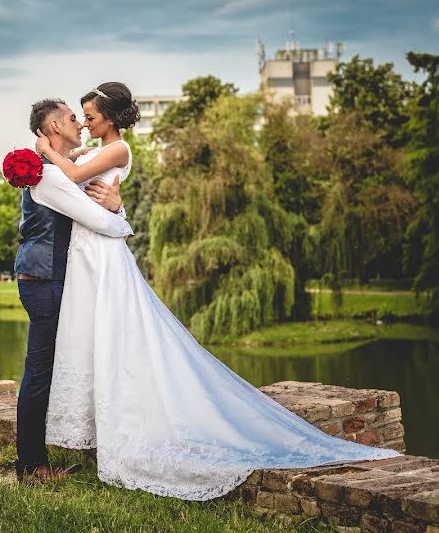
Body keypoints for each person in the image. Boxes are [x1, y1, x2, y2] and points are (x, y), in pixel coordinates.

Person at [33, 82, 399, 501]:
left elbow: (74, 175)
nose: (86, 122)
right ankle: (99, 430)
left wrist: (44, 151)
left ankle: (134, 430)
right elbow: (75, 172)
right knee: (92, 338)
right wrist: (109, 199)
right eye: (82, 117)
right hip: (86, 251)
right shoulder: (92, 150)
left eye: (92, 117)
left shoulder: (118, 149)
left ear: (111, 120)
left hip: (103, 255)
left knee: (121, 337)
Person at [14, 98, 134, 483]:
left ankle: (41, 458)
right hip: (45, 280)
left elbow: (89, 189)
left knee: (49, 369)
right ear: (53, 127)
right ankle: (32, 466)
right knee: (39, 372)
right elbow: (94, 218)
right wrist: (122, 222)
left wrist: (116, 206)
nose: (80, 124)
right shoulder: (48, 176)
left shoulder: (61, 171)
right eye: (71, 118)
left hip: (53, 278)